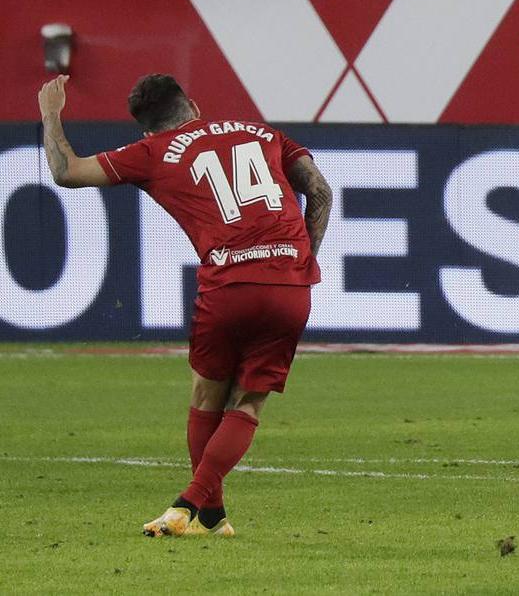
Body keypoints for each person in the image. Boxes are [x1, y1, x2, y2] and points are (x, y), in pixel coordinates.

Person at [37, 73, 332, 535]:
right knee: (248, 402)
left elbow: (65, 172)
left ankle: (190, 505)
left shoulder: (152, 152)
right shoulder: (262, 133)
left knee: (205, 392)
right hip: (289, 285)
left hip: (227, 284)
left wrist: (51, 113)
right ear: (193, 106)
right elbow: (319, 190)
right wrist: (301, 260)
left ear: (146, 129)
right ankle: (210, 514)